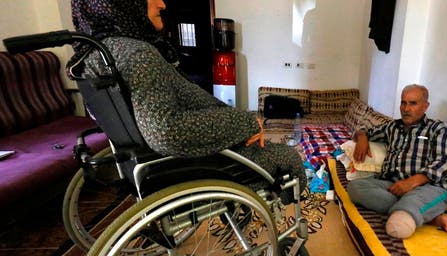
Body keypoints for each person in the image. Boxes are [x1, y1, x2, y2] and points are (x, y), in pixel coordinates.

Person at [67, 0, 305, 197]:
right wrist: (248, 122)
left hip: (167, 159)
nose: (162, 4)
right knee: (290, 157)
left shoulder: (93, 53)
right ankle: (287, 220)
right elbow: (166, 132)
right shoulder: (137, 55)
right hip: (196, 164)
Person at [347, 84, 447, 239]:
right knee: (355, 187)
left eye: (413, 103)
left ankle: (410, 209)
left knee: (398, 228)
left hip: (428, 186)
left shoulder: (440, 129)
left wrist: (412, 182)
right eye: (403, 102)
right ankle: (429, 215)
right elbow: (363, 131)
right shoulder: (392, 127)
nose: (406, 108)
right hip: (392, 184)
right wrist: (363, 137)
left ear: (425, 106)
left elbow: (444, 162)